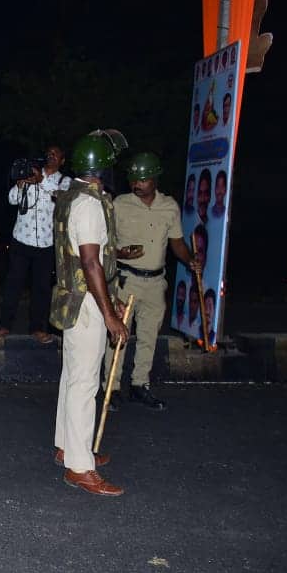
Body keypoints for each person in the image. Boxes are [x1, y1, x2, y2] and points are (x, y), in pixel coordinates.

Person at [50, 129, 130, 497]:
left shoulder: (70, 196)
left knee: (72, 376)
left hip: (73, 299)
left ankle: (69, 448)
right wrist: (110, 313)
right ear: (102, 168)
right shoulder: (89, 204)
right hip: (87, 304)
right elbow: (91, 262)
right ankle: (79, 468)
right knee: (85, 383)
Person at [103, 152, 202, 412]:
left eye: (143, 179)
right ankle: (112, 387)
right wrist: (120, 254)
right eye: (133, 178)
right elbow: (104, 244)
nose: (137, 183)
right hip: (126, 279)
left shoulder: (169, 206)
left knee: (149, 336)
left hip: (156, 282)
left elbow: (177, 242)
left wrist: (189, 260)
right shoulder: (119, 204)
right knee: (118, 336)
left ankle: (140, 384)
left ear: (155, 179)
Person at [0, 144, 70, 344]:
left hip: (46, 244)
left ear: (62, 160)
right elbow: (12, 200)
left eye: (56, 154)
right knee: (13, 285)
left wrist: (41, 181)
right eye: (49, 153)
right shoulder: (30, 173)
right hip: (21, 240)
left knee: (41, 289)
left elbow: (63, 200)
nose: (51, 156)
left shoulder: (65, 181)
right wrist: (21, 184)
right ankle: (4, 325)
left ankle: (37, 328)